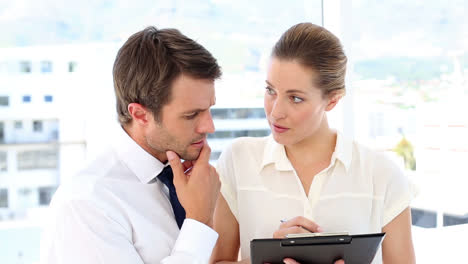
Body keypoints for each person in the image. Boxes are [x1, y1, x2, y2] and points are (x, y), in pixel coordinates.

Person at [211, 23, 416, 264]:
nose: (276, 112)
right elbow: (217, 261)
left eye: (295, 98)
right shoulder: (238, 160)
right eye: (270, 90)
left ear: (333, 99)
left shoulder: (381, 175)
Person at [40, 26, 222, 264]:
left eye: (210, 108)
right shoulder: (87, 204)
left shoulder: (194, 180)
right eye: (191, 115)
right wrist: (199, 220)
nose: (209, 127)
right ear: (141, 115)